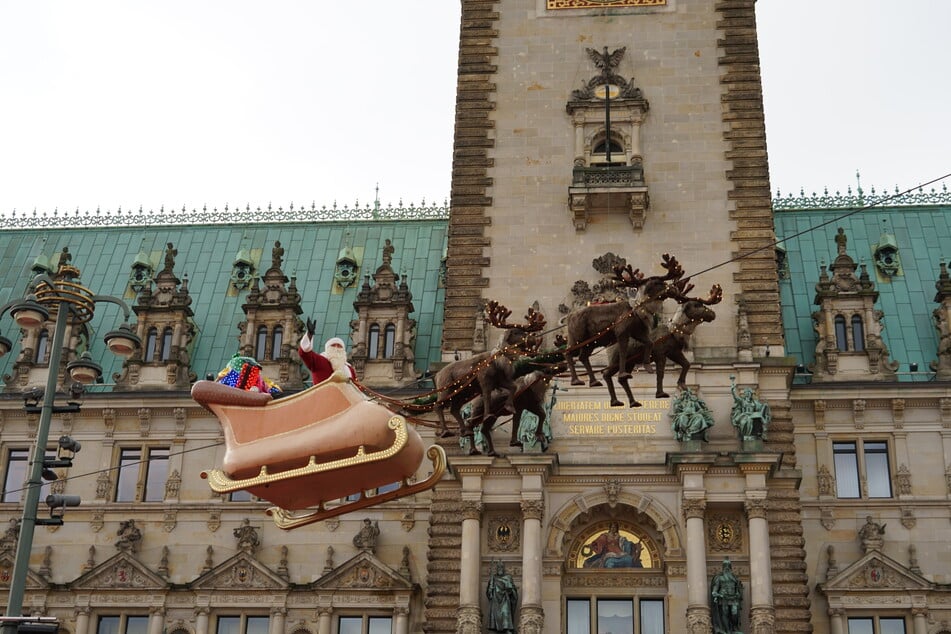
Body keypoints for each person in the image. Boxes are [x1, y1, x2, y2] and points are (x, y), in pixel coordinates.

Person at [298, 317, 356, 384]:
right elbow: (305, 353)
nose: (336, 348)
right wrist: (309, 334)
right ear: (327, 348)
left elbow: (356, 387)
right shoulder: (320, 361)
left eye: (339, 346)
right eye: (333, 345)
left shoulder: (349, 368)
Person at [729, 375, 771, 440]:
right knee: (748, 420)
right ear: (745, 394)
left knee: (759, 417)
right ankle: (749, 434)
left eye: (749, 393)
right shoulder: (742, 401)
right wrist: (733, 391)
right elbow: (736, 398)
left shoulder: (754, 402)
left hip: (753, 415)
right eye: (746, 393)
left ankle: (763, 432)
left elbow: (760, 407)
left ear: (751, 394)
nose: (748, 394)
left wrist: (765, 405)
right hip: (744, 415)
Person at [710, 558, 743, 634]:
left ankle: (734, 629)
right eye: (725, 565)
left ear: (730, 567)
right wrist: (717, 594)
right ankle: (727, 630)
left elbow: (738, 588)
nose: (727, 567)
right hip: (723, 598)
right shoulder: (719, 577)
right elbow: (714, 590)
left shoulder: (734, 578)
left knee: (734, 613)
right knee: (725, 614)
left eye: (728, 565)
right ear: (723, 567)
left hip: (733, 598)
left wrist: (739, 593)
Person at [486, 560, 518, 633]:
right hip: (496, 601)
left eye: (501, 567)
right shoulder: (493, 578)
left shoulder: (508, 577)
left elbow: (513, 589)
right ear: (496, 568)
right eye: (498, 567)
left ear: (504, 568)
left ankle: (507, 629)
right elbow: (488, 592)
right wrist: (490, 590)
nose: (500, 568)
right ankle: (497, 629)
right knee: (496, 616)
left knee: (505, 613)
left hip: (505, 599)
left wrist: (510, 590)